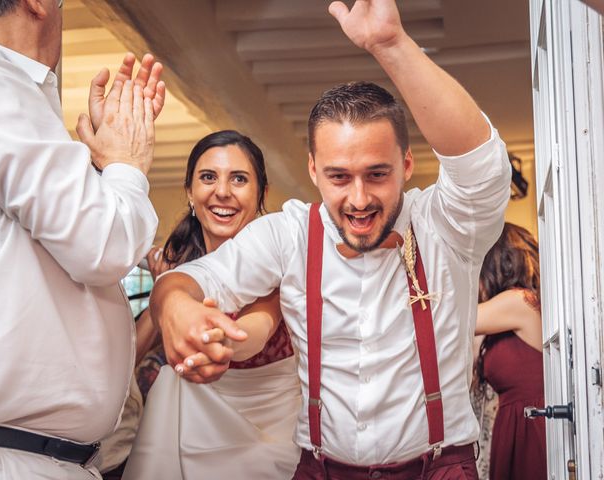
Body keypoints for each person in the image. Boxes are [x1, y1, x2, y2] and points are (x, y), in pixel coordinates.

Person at [150, 0, 512, 478]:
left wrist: (392, 46)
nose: (359, 199)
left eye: (377, 174)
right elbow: (190, 279)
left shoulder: (447, 226)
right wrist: (176, 307)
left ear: (406, 165)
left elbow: (481, 164)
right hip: (321, 469)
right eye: (339, 177)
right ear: (312, 170)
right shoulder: (288, 234)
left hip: (438, 468)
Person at [0, 0, 166, 477]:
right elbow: (106, 245)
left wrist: (100, 170)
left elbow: (38, 249)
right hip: (4, 459)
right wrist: (127, 164)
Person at [121, 130, 302, 479]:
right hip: (182, 433)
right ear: (190, 191)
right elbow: (126, 361)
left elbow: (255, 333)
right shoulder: (177, 272)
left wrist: (212, 338)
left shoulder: (278, 262)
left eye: (239, 179)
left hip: (265, 444)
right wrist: (167, 295)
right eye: (208, 177)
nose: (222, 192)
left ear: (261, 193)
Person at [474, 223, 547, 480]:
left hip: (530, 426)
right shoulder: (505, 314)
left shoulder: (519, 301)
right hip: (515, 423)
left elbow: (454, 319)